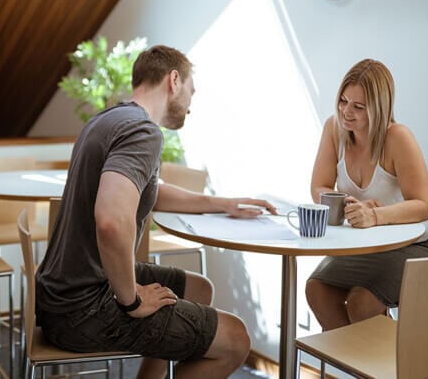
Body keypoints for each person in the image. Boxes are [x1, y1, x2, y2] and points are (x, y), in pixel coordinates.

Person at [36, 45, 276, 378]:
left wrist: (222, 203)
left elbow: (150, 191)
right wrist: (131, 300)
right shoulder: (143, 132)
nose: (191, 106)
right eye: (192, 91)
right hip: (83, 307)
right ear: (174, 80)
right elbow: (110, 221)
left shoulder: (109, 120)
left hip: (60, 294)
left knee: (198, 289)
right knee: (235, 339)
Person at [306, 58, 428, 331]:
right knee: (317, 289)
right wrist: (351, 204)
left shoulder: (398, 137)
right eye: (343, 100)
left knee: (362, 301)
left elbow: (422, 206)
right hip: (375, 247)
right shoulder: (334, 129)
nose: (346, 112)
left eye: (358, 107)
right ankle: (354, 369)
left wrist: (374, 215)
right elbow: (319, 187)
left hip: (424, 244)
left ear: (379, 107)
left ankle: (381, 370)